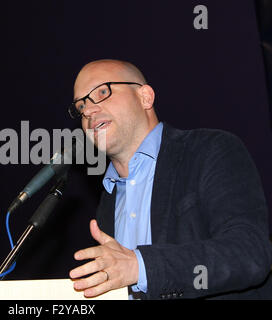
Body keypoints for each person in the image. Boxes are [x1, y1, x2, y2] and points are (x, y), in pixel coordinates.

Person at [68, 59, 272, 299]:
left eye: (102, 92)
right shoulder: (107, 201)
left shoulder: (209, 151)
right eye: (81, 106)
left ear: (145, 97)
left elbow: (249, 253)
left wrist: (140, 267)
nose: (88, 111)